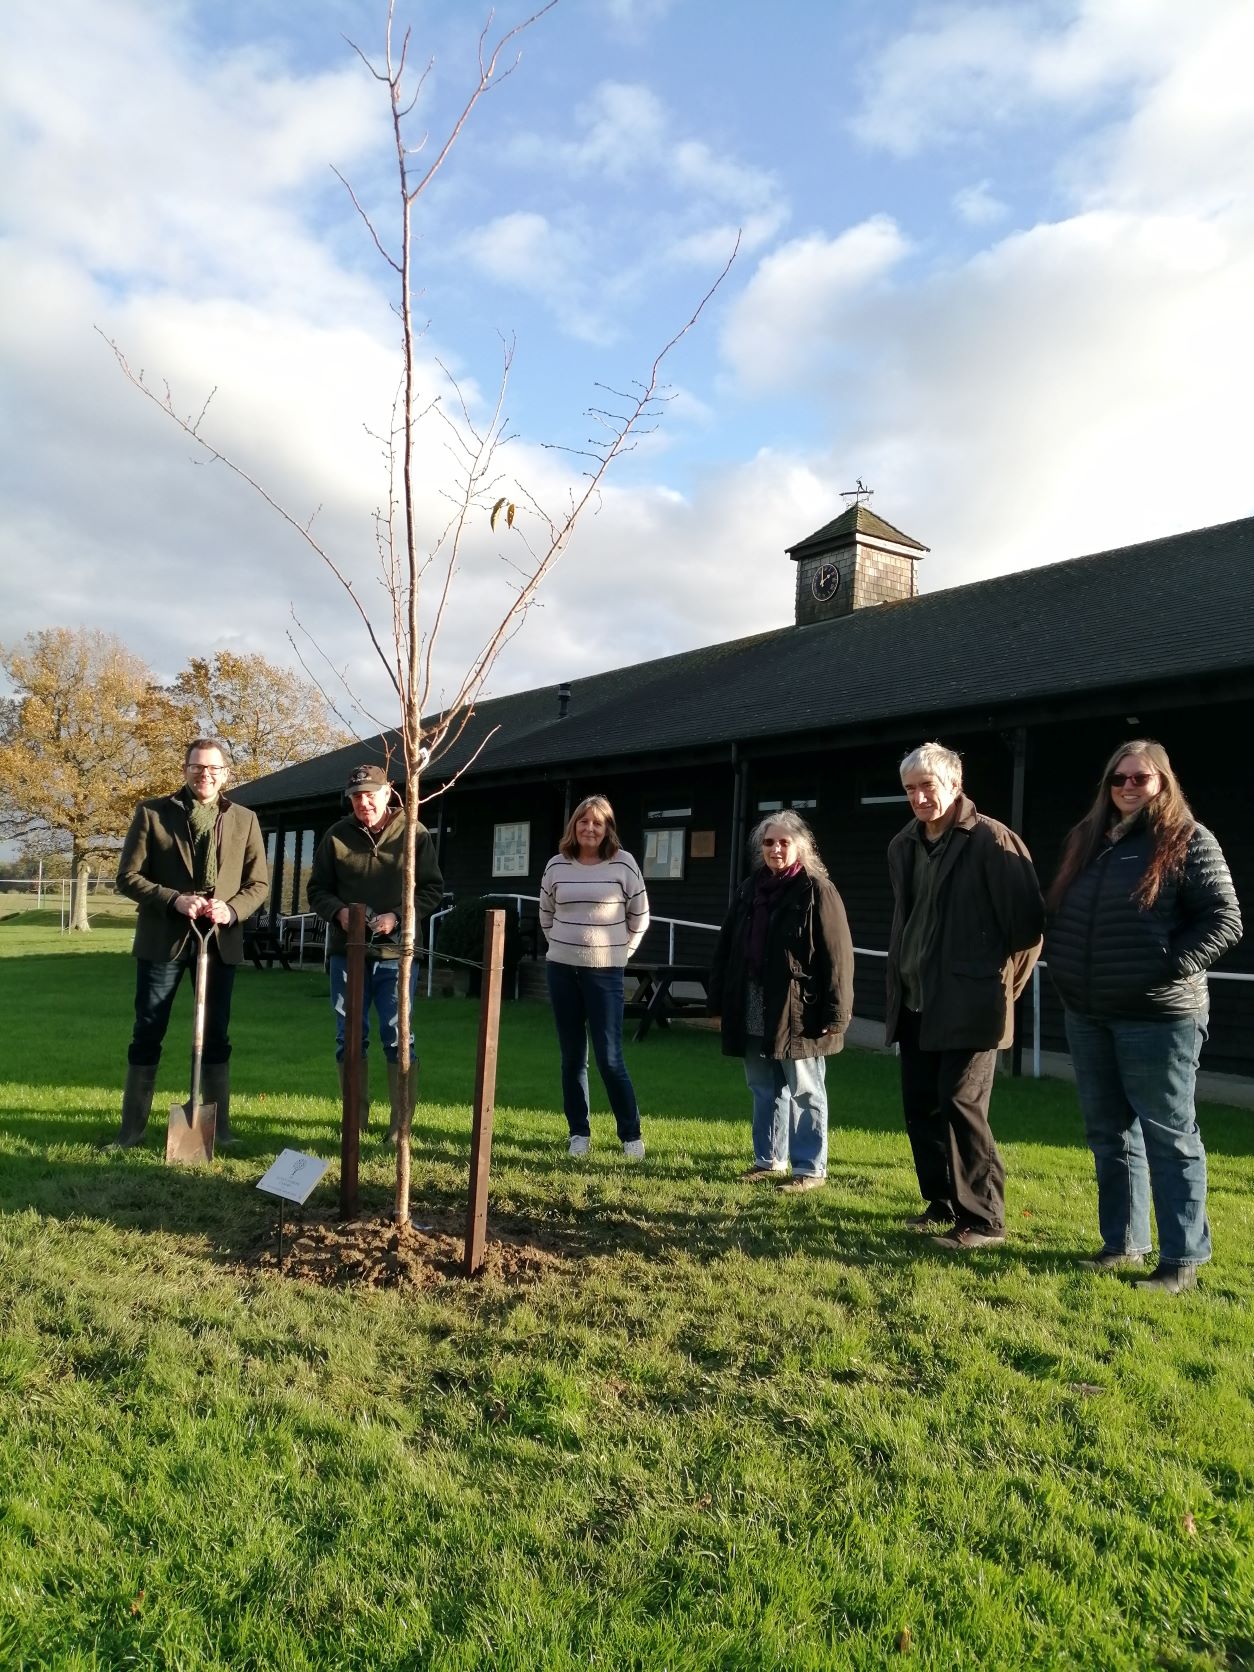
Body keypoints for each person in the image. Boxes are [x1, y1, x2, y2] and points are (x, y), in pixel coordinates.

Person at [1045, 740, 1241, 1293]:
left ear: (1163, 782)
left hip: (1158, 1018)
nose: (1128, 787)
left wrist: (1162, 971)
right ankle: (1123, 1244)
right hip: (1088, 1014)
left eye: (1141, 778)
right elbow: (1063, 913)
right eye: (1118, 779)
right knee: (1109, 1134)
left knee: (1169, 1137)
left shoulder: (1188, 840)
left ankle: (1182, 1262)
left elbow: (1225, 921)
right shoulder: (1088, 841)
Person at [886, 742, 1044, 1248]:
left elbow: (1028, 931)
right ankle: (941, 1202)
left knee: (960, 1104)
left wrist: (997, 992)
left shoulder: (993, 841)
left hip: (972, 1007)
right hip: (915, 1000)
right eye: (910, 789)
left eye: (927, 787)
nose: (919, 798)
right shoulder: (903, 844)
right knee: (922, 1107)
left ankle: (984, 1219)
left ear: (954, 784)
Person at [111, 737, 269, 1148]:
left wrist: (231, 910)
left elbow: (259, 883)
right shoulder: (153, 813)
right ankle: (131, 1131)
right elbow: (128, 876)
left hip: (219, 941)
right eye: (198, 767)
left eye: (214, 769)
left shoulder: (244, 819)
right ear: (185, 770)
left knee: (216, 1035)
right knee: (148, 1029)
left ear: (225, 774)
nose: (206, 775)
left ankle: (219, 1129)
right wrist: (174, 899)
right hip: (164, 939)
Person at [709, 811, 854, 1191]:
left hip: (799, 1009)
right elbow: (726, 949)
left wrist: (836, 1013)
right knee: (764, 1087)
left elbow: (837, 957)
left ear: (800, 847)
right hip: (752, 1003)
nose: (775, 849)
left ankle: (809, 1169)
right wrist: (719, 1003)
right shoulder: (748, 890)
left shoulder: (818, 890)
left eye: (784, 842)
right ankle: (770, 1160)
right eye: (769, 842)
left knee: (805, 1089)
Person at [307, 764, 444, 1143]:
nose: (363, 802)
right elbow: (317, 889)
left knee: (399, 1035)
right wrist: (340, 912)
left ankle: (400, 1127)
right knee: (348, 1035)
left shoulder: (413, 834)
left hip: (395, 954)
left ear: (388, 793)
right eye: (356, 796)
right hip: (346, 954)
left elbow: (431, 889)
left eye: (370, 794)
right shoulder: (336, 837)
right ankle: (355, 1119)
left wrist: (397, 916)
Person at [538, 795, 650, 1159]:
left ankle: (631, 1136)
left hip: (606, 973)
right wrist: (562, 947)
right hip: (561, 971)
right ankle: (578, 1134)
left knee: (610, 1058)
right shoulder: (556, 865)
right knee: (572, 1058)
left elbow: (640, 917)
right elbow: (546, 914)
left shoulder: (624, 864)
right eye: (583, 821)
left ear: (607, 829)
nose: (589, 828)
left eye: (597, 823)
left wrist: (621, 955)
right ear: (574, 826)